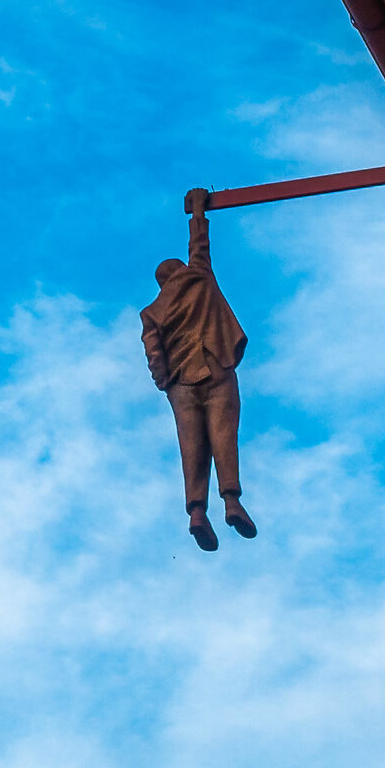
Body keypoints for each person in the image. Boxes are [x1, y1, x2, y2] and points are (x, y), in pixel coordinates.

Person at [141, 189, 257, 552]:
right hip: (215, 366)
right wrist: (198, 210)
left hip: (180, 385)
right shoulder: (199, 278)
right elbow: (199, 245)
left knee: (191, 446)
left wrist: (165, 380)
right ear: (181, 270)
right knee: (223, 437)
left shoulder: (152, 312)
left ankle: (196, 512)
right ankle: (232, 502)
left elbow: (153, 353)